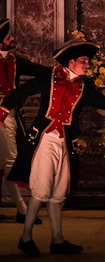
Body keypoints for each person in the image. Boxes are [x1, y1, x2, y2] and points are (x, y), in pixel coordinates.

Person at [0, 34, 105, 257]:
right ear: (71, 62)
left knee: (58, 194)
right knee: (40, 192)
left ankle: (57, 240)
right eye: (84, 60)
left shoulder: (84, 87)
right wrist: (3, 111)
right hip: (43, 141)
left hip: (65, 143)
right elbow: (21, 91)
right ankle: (25, 238)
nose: (87, 64)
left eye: (88, 61)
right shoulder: (48, 77)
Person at [0, 18, 50, 223]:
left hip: (9, 113)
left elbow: (42, 71)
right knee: (11, 159)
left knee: (9, 160)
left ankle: (22, 209)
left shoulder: (14, 60)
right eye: (8, 37)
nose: (13, 39)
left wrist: (66, 71)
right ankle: (22, 209)